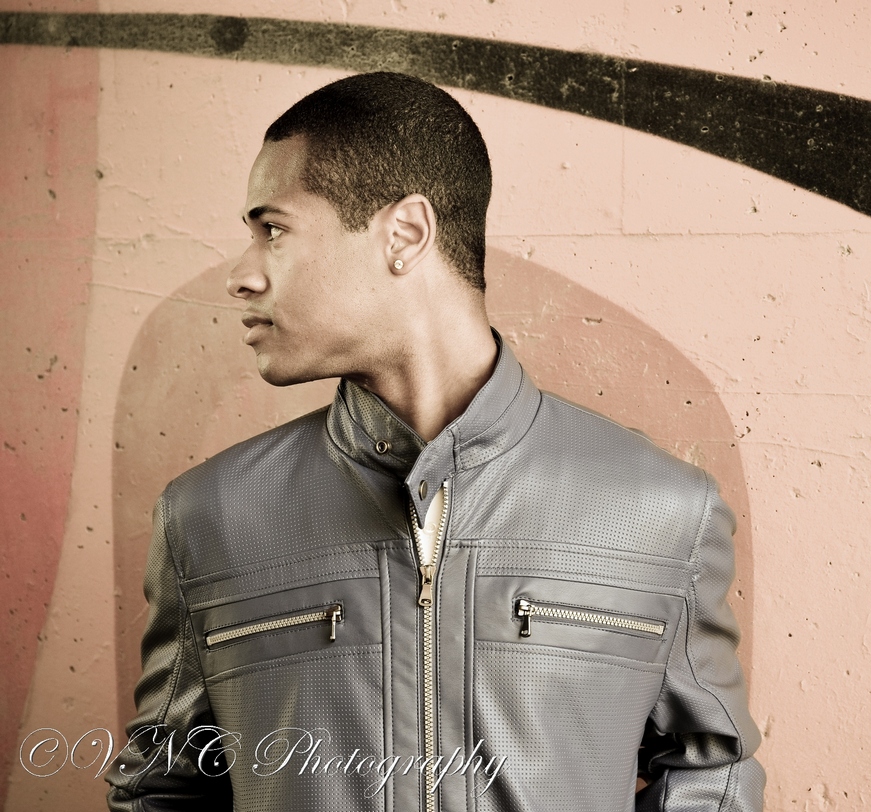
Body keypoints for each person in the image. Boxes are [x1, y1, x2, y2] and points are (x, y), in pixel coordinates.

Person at [105, 71, 765, 812]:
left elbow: (711, 773)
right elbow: (161, 789)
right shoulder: (209, 518)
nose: (242, 275)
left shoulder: (661, 510)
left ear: (405, 234)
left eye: (274, 229)